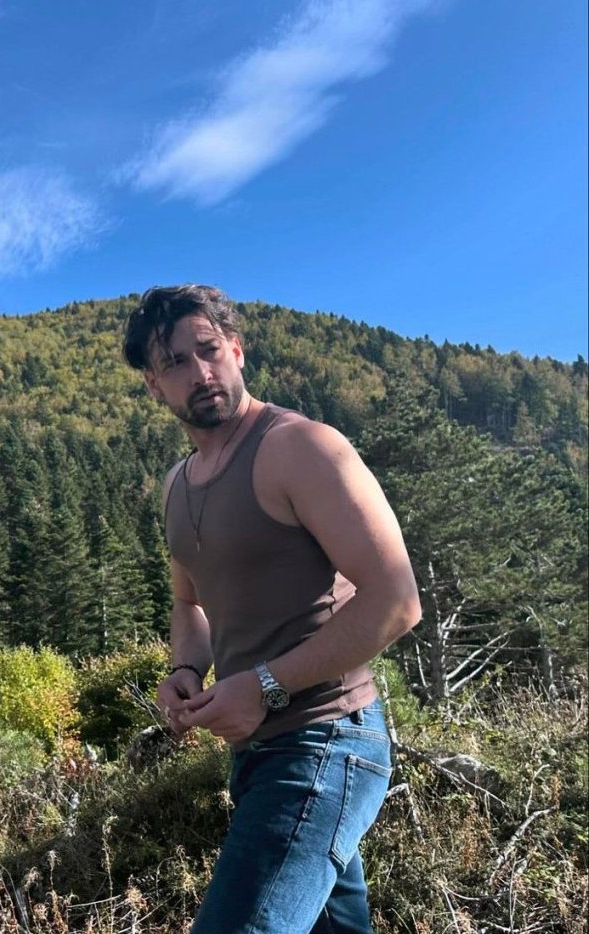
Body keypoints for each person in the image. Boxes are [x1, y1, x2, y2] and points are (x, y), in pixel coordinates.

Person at [122, 285, 421, 934]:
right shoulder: (176, 486)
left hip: (327, 739)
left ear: (236, 349)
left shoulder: (298, 447)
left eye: (209, 350)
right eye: (175, 362)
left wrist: (263, 685)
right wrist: (184, 671)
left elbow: (397, 601)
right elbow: (189, 602)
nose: (200, 372)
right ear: (153, 384)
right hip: (257, 756)